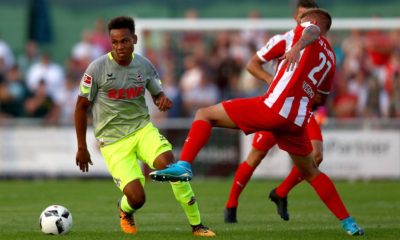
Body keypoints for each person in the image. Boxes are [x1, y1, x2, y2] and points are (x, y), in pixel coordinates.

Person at [150, 9, 364, 236]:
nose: (298, 23)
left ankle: (184, 165)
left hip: (274, 107)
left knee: (204, 114)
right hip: (297, 119)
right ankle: (349, 222)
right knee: (311, 171)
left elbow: (311, 31)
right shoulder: (331, 59)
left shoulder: (306, 30)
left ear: (312, 21)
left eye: (302, 20)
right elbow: (321, 97)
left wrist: (296, 48)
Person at [74, 16, 215, 237]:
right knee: (137, 198)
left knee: (171, 167)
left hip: (142, 130)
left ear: (134, 39)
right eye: (115, 42)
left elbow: (157, 93)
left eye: (124, 41)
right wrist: (81, 147)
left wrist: (161, 99)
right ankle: (124, 210)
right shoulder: (97, 68)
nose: (119, 46)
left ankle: (197, 225)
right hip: (113, 141)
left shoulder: (144, 65)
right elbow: (81, 107)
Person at [224, 0, 322, 224]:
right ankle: (231, 205)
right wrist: (271, 80)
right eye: (301, 16)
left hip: (303, 111)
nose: (305, 20)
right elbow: (252, 64)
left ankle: (281, 192)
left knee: (317, 155)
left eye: (309, 16)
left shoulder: (322, 45)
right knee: (256, 155)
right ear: (295, 19)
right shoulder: (286, 40)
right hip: (279, 109)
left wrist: (320, 101)